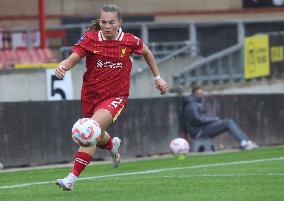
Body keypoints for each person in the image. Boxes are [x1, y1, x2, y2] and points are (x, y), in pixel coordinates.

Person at [55, 4, 168, 191]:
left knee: (90, 131)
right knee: (96, 132)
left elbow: (147, 53)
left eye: (111, 22)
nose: (107, 26)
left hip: (116, 96)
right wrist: (64, 66)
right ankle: (111, 144)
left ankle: (71, 179)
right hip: (90, 95)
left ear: (119, 22)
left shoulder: (130, 41)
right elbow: (74, 57)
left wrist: (157, 77)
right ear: (99, 22)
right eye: (103, 22)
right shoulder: (90, 38)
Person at [182, 85, 258, 150]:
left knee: (228, 122)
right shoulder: (192, 105)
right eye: (198, 94)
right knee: (228, 122)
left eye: (202, 94)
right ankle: (244, 143)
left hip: (201, 129)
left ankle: (247, 141)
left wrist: (212, 120)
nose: (201, 96)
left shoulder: (196, 103)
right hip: (198, 131)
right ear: (194, 94)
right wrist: (213, 120)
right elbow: (198, 120)